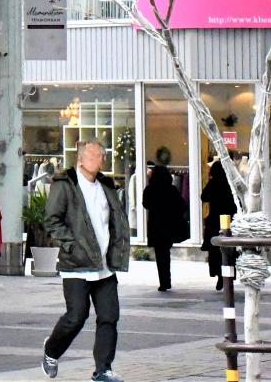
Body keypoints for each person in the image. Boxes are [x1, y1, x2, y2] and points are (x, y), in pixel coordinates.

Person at [40, 140, 130, 382]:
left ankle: (103, 370)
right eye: (94, 154)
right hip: (76, 266)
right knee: (76, 317)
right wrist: (71, 246)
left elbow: (115, 221)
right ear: (80, 159)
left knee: (109, 317)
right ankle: (51, 350)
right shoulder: (65, 184)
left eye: (102, 154)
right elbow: (52, 220)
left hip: (104, 267)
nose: (100, 158)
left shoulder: (106, 185)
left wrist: (117, 251)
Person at [142, 165, 187, 291]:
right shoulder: (171, 189)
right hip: (169, 225)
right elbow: (182, 205)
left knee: (160, 254)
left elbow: (145, 204)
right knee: (165, 253)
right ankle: (166, 280)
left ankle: (164, 281)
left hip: (156, 225)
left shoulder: (150, 189)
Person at [200, 160, 239, 291]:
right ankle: (229, 275)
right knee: (229, 249)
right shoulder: (230, 184)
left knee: (216, 249)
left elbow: (203, 197)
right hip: (229, 220)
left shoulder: (213, 183)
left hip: (215, 220)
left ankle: (219, 276)